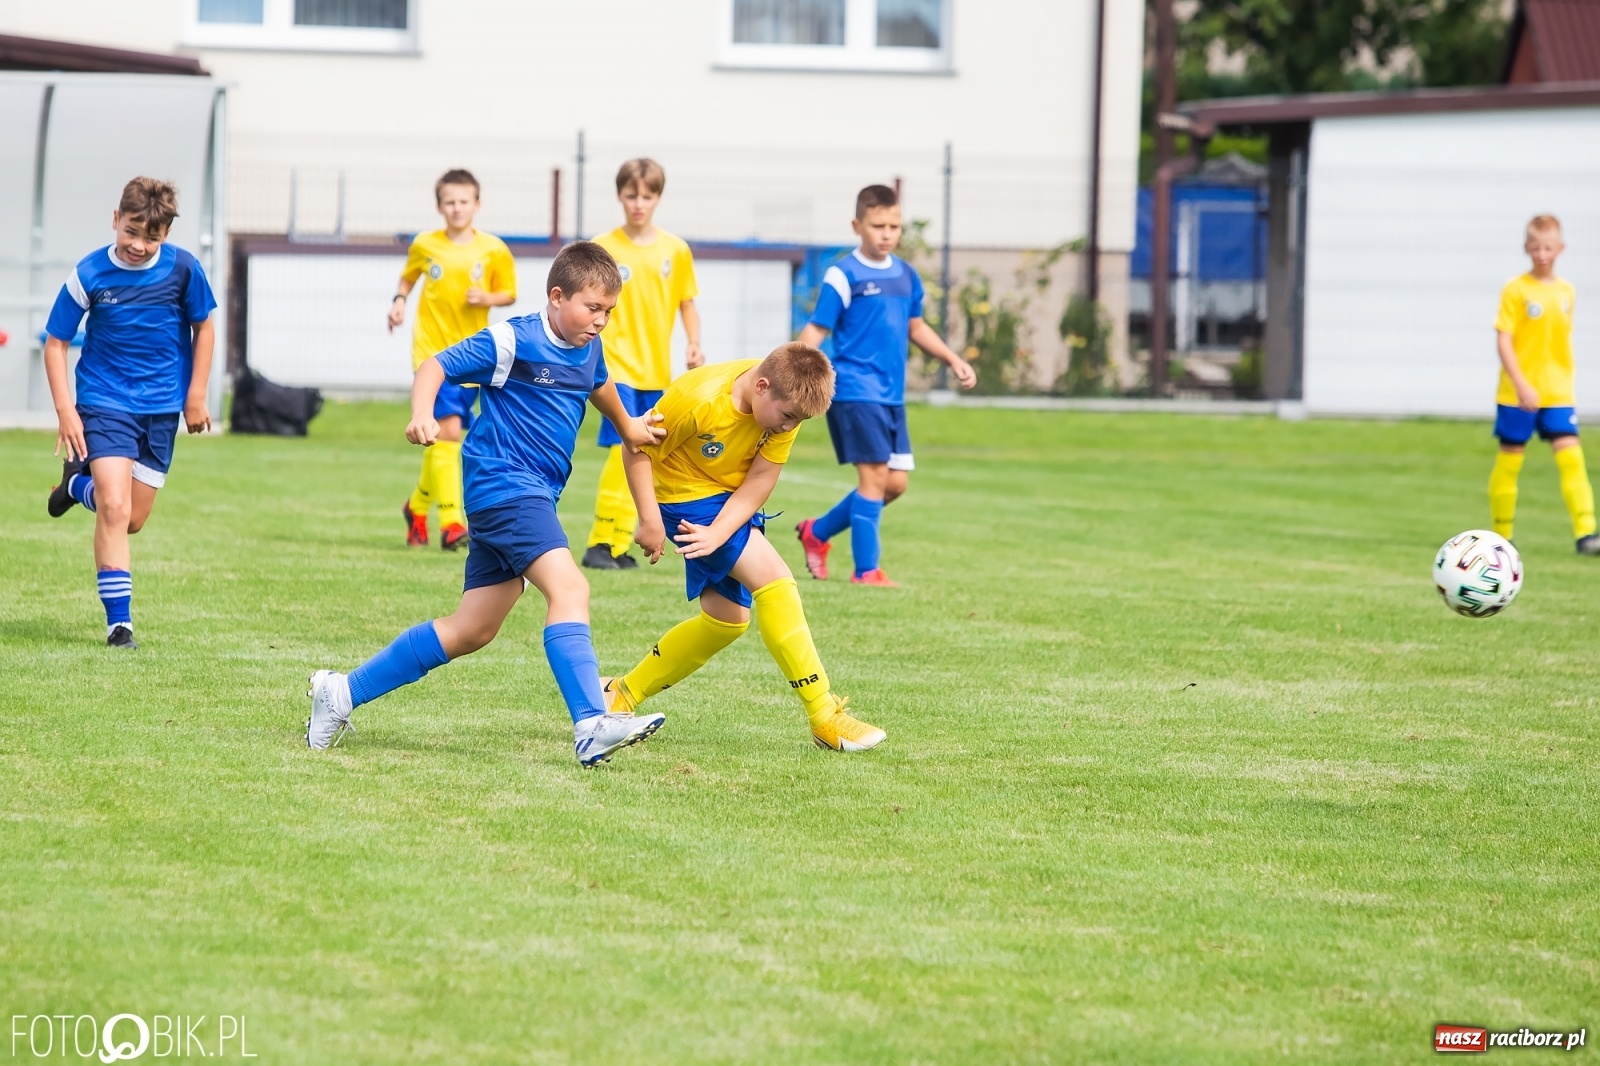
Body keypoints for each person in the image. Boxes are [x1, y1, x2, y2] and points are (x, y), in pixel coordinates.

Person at [308, 242, 668, 766]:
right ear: (556, 296)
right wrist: (421, 414)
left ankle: (340, 692)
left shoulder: (587, 344)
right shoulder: (513, 340)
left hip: (527, 493)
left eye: (609, 311)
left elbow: (599, 383)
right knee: (571, 587)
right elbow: (434, 365)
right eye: (593, 308)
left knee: (472, 628)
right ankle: (591, 722)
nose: (601, 321)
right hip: (505, 487)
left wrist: (628, 424)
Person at [602, 343, 888, 752]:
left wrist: (720, 531)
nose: (790, 427)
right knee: (776, 584)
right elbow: (637, 448)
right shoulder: (696, 397)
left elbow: (760, 479)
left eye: (799, 421)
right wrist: (648, 519)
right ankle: (825, 717)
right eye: (788, 417)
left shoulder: (788, 407)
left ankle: (621, 693)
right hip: (684, 497)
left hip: (727, 498)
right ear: (762, 385)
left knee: (727, 620)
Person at [44, 177, 218, 650]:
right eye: (132, 233)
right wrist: (66, 410)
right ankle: (119, 627)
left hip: (160, 409)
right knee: (115, 508)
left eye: (152, 238)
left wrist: (196, 395)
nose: (140, 246)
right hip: (104, 401)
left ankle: (74, 485)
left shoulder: (184, 270)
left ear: (166, 236)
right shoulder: (90, 273)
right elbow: (56, 343)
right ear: (115, 220)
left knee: (133, 518)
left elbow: (204, 327)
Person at [793, 184, 976, 587]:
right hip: (855, 390)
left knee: (895, 484)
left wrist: (952, 358)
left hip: (891, 395)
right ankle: (867, 571)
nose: (887, 233)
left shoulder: (906, 275)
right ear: (858, 225)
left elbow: (916, 326)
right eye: (878, 225)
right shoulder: (844, 274)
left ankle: (817, 532)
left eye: (894, 225)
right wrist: (793, 373)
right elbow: (818, 327)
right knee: (874, 479)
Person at [582, 158, 703, 570]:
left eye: (646, 196)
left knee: (645, 455)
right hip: (615, 368)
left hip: (657, 371)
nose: (638, 204)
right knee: (626, 447)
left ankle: (619, 544)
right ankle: (601, 540)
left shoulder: (675, 250)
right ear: (620, 196)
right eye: (631, 195)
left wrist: (694, 343)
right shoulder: (603, 247)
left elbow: (688, 303)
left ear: (657, 198)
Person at [389, 169, 517, 551]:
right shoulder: (425, 244)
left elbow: (509, 292)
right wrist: (398, 302)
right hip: (431, 354)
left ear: (476, 205)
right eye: (450, 202)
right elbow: (408, 277)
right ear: (439, 206)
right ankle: (452, 524)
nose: (457, 208)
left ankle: (416, 507)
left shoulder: (493, 249)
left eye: (464, 201)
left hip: (473, 356)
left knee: (444, 438)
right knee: (447, 432)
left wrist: (488, 299)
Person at [1487, 214, 1599, 554]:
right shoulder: (1516, 289)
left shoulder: (1567, 292)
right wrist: (1522, 384)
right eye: (1535, 247)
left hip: (1557, 393)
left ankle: (1587, 534)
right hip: (1516, 393)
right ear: (1526, 248)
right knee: (1510, 461)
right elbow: (1504, 339)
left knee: (1572, 460)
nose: (1541, 254)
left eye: (1548, 247)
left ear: (1560, 248)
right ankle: (1502, 535)